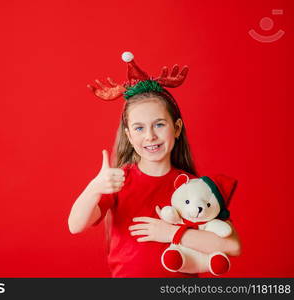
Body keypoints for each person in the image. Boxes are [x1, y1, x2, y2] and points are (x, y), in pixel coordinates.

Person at [68, 52, 241, 278]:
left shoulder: (193, 185)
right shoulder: (119, 180)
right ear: (129, 136)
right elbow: (76, 225)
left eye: (159, 125)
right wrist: (94, 187)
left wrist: (171, 233)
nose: (150, 136)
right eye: (139, 128)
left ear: (176, 128)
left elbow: (233, 246)